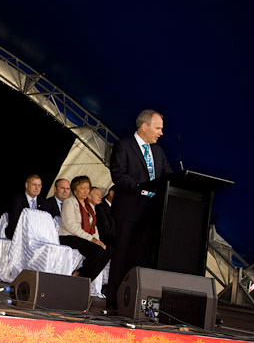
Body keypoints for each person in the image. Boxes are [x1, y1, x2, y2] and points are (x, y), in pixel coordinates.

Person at [106, 109, 173, 308]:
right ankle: (114, 300)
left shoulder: (159, 152)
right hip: (128, 211)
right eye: (158, 128)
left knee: (142, 258)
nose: (161, 132)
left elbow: (168, 176)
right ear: (144, 126)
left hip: (151, 213)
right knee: (122, 256)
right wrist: (141, 187)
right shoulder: (124, 146)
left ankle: (135, 299)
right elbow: (118, 175)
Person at [59, 175, 111, 281]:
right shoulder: (69, 202)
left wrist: (98, 241)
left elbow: (94, 227)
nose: (85, 191)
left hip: (82, 238)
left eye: (87, 188)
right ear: (74, 190)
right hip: (68, 236)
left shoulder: (89, 206)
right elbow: (71, 226)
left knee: (108, 251)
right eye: (82, 188)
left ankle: (84, 278)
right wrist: (93, 240)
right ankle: (81, 278)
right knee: (97, 251)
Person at [5, 174, 46, 239]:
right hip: (18, 235)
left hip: (38, 237)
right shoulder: (17, 200)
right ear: (26, 185)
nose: (37, 188)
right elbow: (15, 223)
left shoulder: (44, 202)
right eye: (34, 185)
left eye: (39, 185)